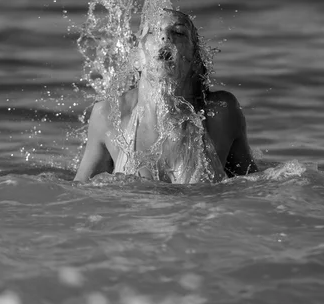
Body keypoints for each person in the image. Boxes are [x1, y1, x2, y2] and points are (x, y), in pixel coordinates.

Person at [75, 9, 258, 183]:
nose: (165, 37)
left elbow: (254, 187)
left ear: (195, 61)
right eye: (153, 32)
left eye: (178, 32)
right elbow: (80, 195)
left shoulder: (221, 113)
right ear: (137, 59)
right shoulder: (110, 115)